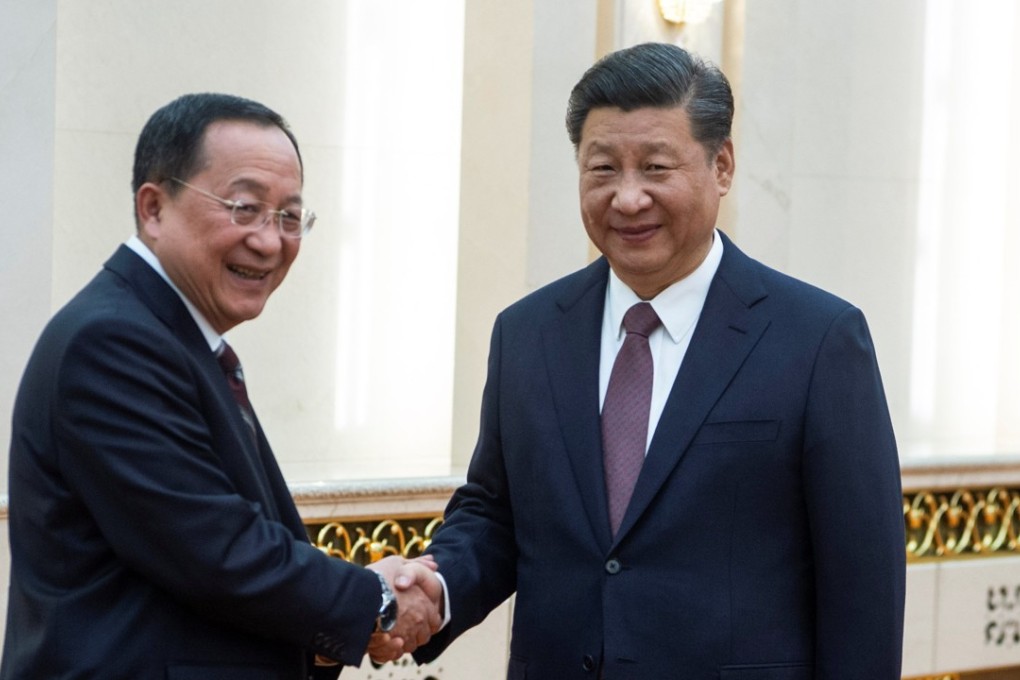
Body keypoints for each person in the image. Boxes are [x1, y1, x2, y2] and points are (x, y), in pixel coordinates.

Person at [408, 43, 906, 678]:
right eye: (603, 169)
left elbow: (864, 585)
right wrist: (435, 590)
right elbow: (496, 515)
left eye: (655, 167)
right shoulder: (527, 333)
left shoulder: (817, 340)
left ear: (722, 166)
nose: (627, 197)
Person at [1, 93, 442, 679]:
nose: (269, 241)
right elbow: (216, 550)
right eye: (245, 208)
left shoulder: (176, 337)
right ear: (154, 208)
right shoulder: (112, 342)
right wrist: (376, 600)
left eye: (290, 217)